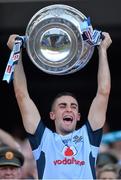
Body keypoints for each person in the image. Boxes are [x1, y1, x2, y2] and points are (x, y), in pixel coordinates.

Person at [6, 32, 112, 179]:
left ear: (78, 116)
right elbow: (22, 96)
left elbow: (103, 92)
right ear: (52, 115)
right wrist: (16, 51)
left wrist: (102, 50)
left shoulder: (88, 137)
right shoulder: (43, 139)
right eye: (62, 106)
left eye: (74, 107)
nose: (69, 109)